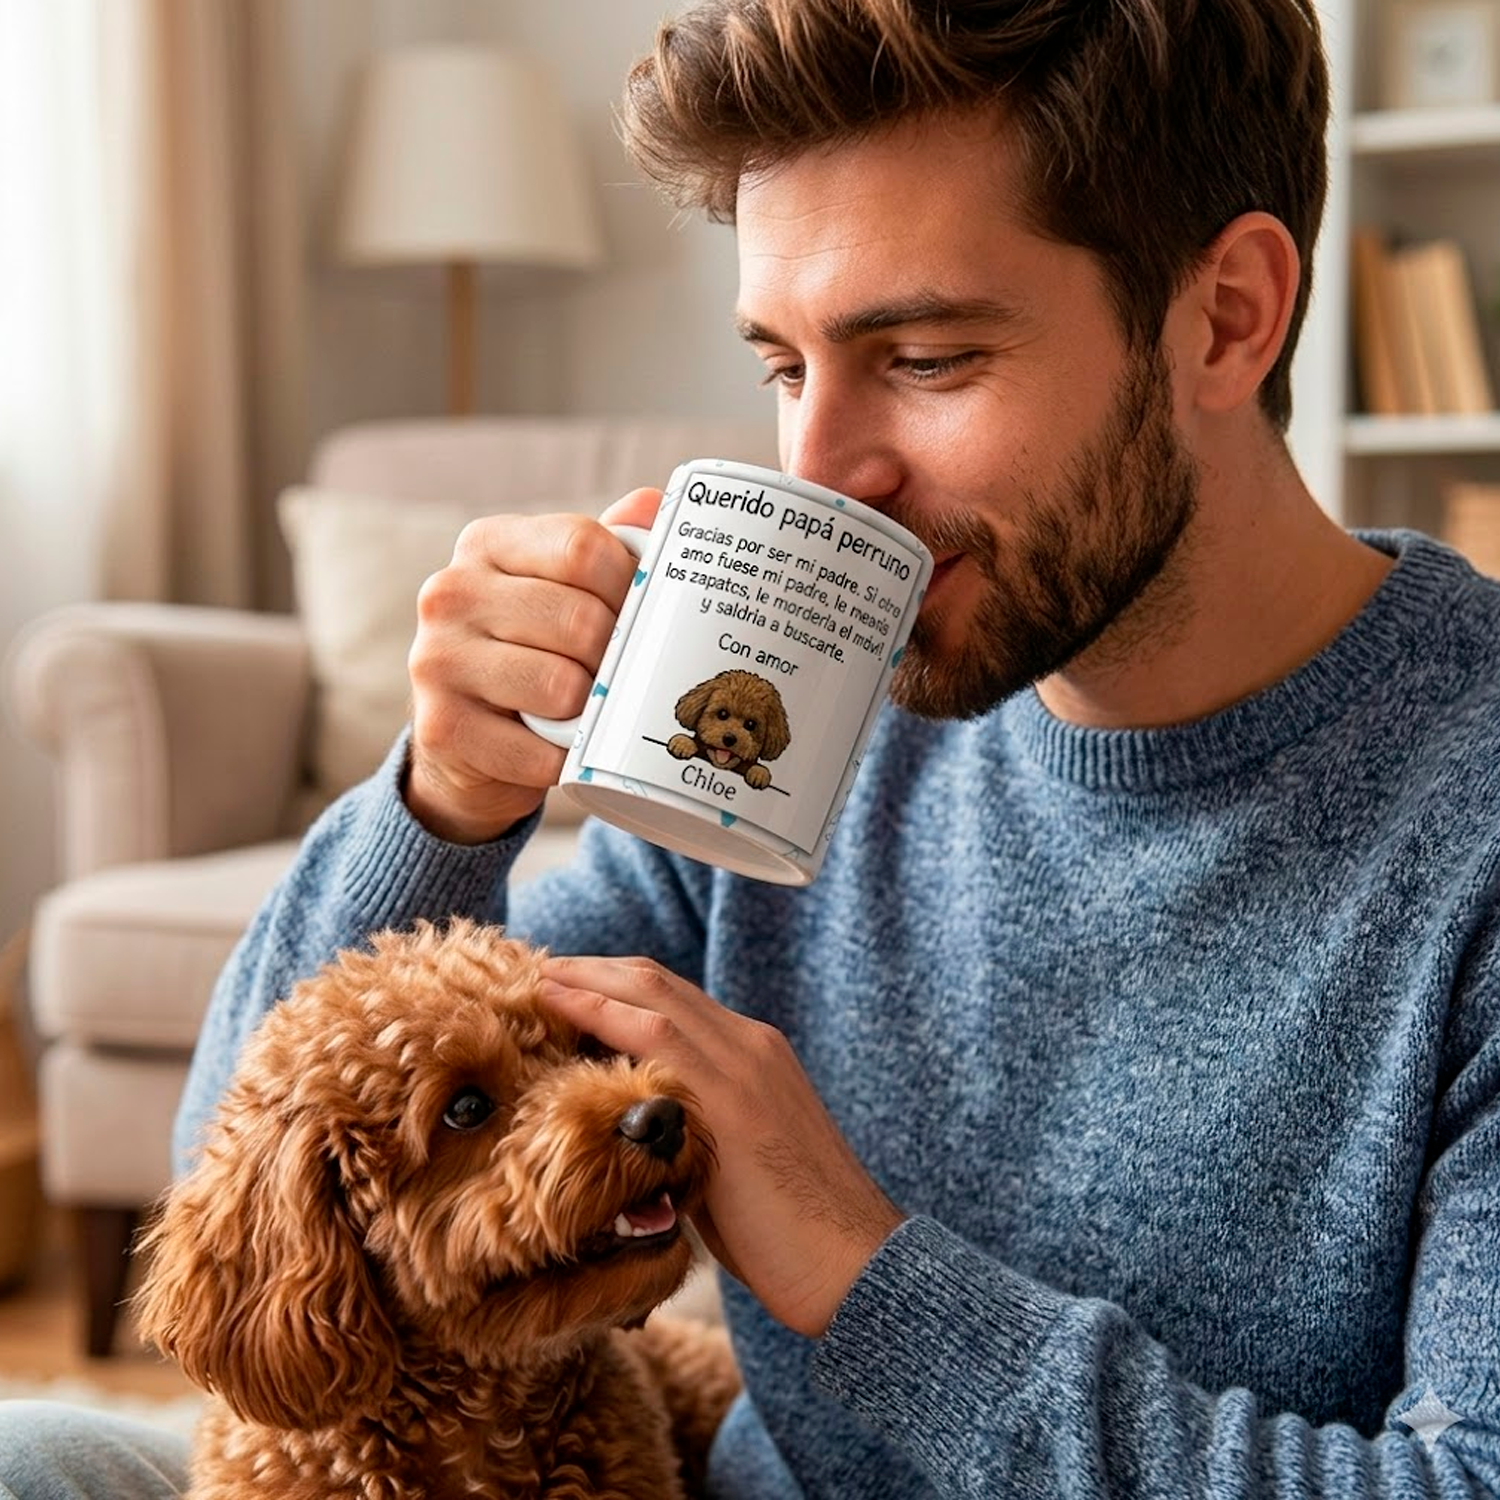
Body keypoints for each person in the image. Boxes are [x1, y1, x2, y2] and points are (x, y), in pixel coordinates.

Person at [5, 0, 1500, 1496]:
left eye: (922, 357)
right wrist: (445, 803)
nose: (823, 475)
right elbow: (253, 1205)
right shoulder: (800, 719)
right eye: (785, 367)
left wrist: (862, 1273)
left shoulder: (1467, 820)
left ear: (1227, 313)